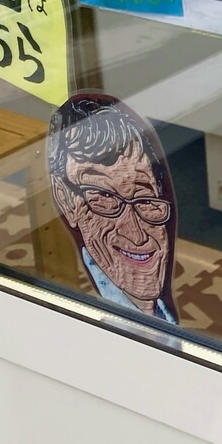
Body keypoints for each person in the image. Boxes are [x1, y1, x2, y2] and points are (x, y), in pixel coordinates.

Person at [47, 92, 178, 324]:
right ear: (65, 199)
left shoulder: (163, 313)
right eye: (105, 197)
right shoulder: (84, 313)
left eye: (145, 199)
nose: (136, 235)